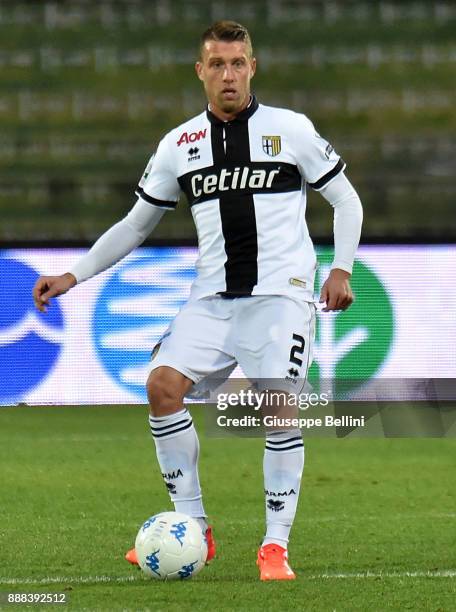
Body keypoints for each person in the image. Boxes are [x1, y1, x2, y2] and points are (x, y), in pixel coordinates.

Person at [33, 21, 362, 580]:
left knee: (277, 401)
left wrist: (341, 268)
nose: (228, 75)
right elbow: (136, 225)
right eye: (217, 64)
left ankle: (274, 546)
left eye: (238, 63)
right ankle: (195, 530)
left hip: (280, 297)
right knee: (161, 387)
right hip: (210, 299)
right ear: (200, 72)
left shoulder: (291, 131)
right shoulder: (178, 145)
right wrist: (75, 273)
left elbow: (346, 201)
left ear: (252, 68)